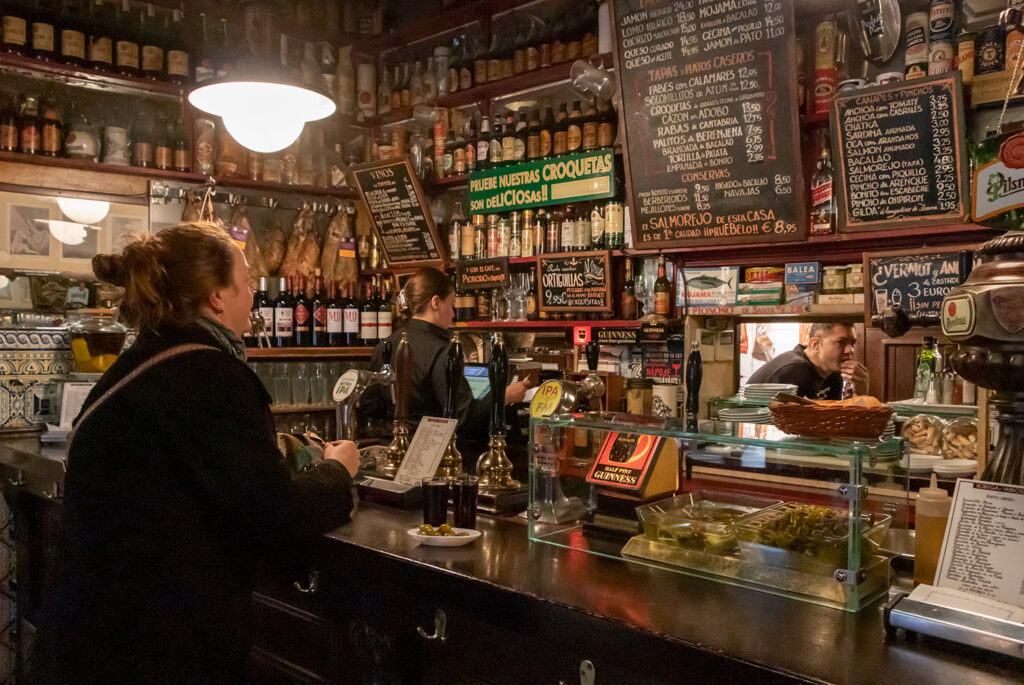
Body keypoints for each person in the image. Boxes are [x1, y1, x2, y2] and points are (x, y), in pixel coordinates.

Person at [32, 223, 360, 684]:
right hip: (149, 650)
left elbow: (199, 473)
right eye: (245, 282)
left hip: (94, 637)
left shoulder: (147, 361)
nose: (252, 294)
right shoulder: (206, 373)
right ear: (216, 297)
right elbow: (276, 514)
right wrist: (337, 472)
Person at [361, 267, 531, 446]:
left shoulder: (386, 343)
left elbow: (369, 405)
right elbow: (461, 415)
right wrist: (506, 395)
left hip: (389, 449)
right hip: (428, 453)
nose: (453, 313)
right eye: (450, 305)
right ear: (435, 302)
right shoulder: (442, 350)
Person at [746, 322, 869, 400]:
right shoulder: (795, 370)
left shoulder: (834, 375)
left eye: (852, 343)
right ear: (815, 345)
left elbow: (834, 419)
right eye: (841, 342)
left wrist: (861, 390)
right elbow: (803, 423)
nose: (850, 350)